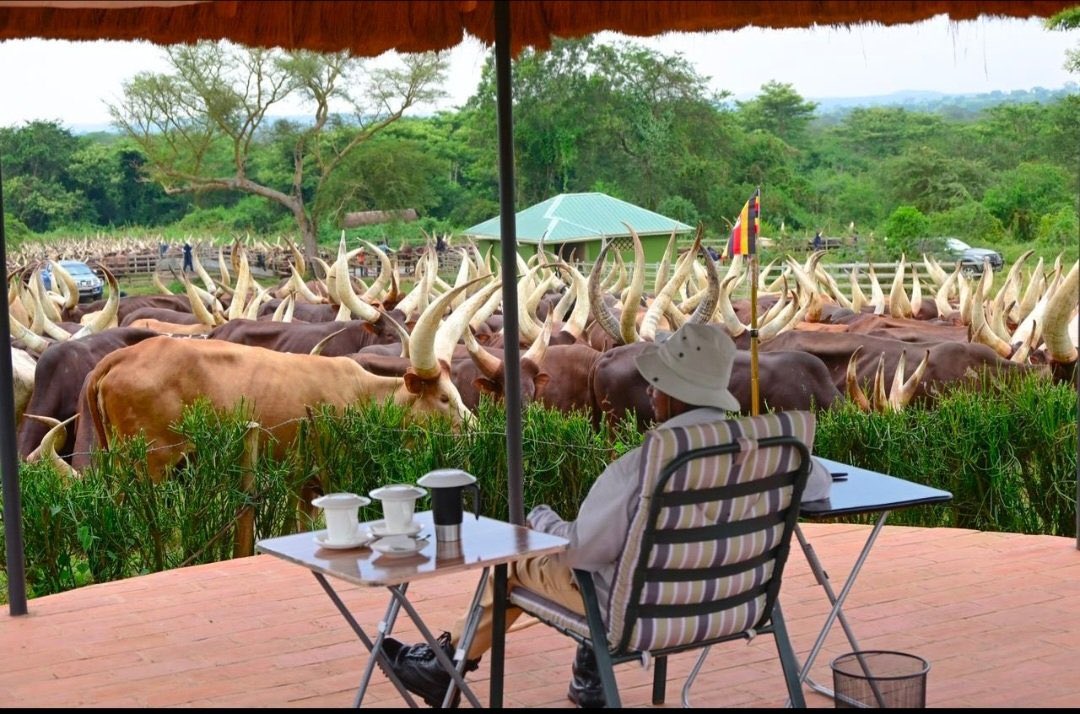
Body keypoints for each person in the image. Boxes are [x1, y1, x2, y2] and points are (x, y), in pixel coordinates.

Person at [380, 323, 831, 708]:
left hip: (635, 612)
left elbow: (582, 552)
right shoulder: (777, 448)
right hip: (740, 602)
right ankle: (583, 676)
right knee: (608, 557)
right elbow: (816, 486)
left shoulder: (648, 464)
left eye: (657, 383)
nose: (650, 391)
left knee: (515, 562)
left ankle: (448, 665)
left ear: (675, 396)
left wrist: (540, 521)